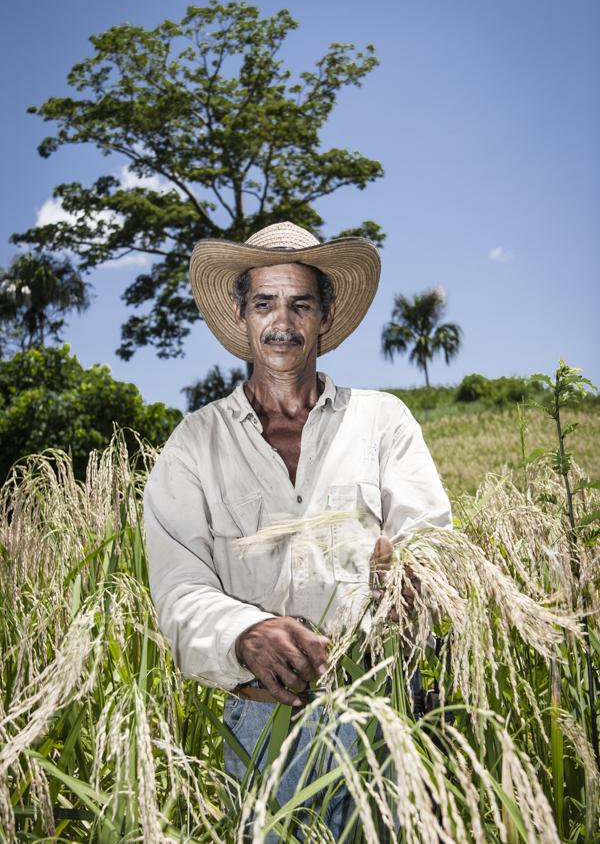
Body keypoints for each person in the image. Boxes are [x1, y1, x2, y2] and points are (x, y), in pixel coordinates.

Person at [143, 221, 452, 840]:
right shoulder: (194, 445)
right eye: (265, 303)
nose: (281, 321)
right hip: (265, 727)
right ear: (242, 313)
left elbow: (434, 546)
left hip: (383, 713)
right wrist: (245, 632)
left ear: (324, 316)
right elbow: (178, 592)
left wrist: (407, 570)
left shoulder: (383, 422)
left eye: (299, 303)